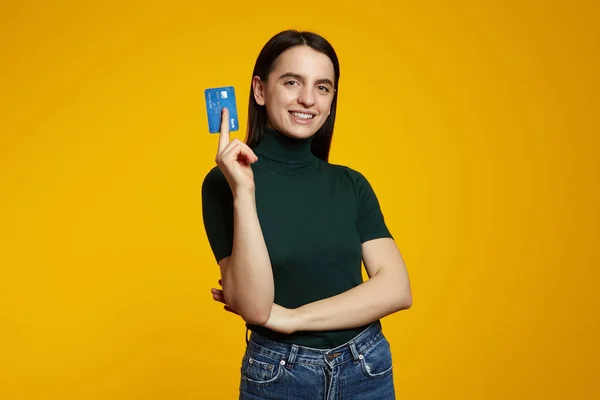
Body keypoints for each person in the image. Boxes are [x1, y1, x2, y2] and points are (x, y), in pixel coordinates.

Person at [201, 29, 412, 399]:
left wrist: (292, 318)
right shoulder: (224, 183)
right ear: (260, 90)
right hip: (279, 375)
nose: (307, 99)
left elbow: (396, 288)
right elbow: (254, 306)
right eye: (292, 81)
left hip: (366, 367)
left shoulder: (350, 184)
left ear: (331, 100)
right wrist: (245, 193)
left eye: (323, 87)